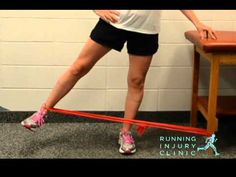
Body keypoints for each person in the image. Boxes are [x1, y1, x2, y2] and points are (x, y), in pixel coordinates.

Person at [21, 10, 217, 155]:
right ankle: (43, 112)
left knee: (136, 81)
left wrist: (198, 22)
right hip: (114, 22)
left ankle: (125, 132)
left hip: (146, 30)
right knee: (79, 67)